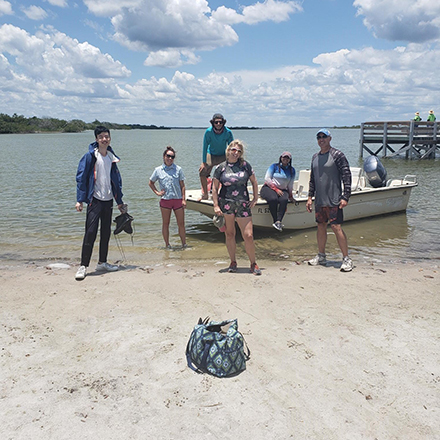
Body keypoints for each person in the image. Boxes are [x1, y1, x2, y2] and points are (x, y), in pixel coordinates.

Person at [75, 126, 126, 280]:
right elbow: (81, 178)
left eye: (107, 136)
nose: (105, 139)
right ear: (97, 139)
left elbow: (116, 181)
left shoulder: (111, 157)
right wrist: (80, 200)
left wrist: (119, 201)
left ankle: (102, 262)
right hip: (94, 200)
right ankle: (83, 266)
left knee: (106, 233)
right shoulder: (90, 156)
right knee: (90, 233)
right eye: (101, 137)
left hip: (108, 200)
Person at [306, 129, 353, 272]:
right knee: (320, 226)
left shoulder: (338, 155)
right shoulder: (314, 157)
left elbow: (347, 175)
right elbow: (312, 179)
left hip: (334, 199)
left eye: (324, 137)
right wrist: (309, 197)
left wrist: (346, 196)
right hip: (320, 200)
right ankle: (321, 256)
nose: (321, 139)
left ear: (330, 138)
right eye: (319, 137)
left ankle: (346, 258)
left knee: (336, 227)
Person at [212, 140, 261, 275]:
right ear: (228, 151)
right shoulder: (220, 168)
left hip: (243, 204)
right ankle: (233, 262)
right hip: (226, 204)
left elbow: (254, 182)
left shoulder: (245, 166)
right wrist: (216, 205)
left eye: (239, 151)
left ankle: (253, 263)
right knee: (230, 234)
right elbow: (214, 188)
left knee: (248, 235)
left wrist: (255, 198)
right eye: (233, 150)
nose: (236, 153)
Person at [149, 146, 186, 249]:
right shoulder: (158, 170)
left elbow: (182, 185)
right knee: (166, 224)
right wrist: (157, 192)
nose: (170, 158)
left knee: (181, 224)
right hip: (165, 201)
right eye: (168, 156)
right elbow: (151, 182)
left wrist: (183, 199)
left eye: (172, 157)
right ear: (164, 156)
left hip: (178, 200)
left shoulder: (178, 169)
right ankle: (167, 245)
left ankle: (184, 244)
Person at [199, 113, 234, 200]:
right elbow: (205, 146)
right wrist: (203, 162)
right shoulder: (208, 132)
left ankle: (226, 193)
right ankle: (205, 194)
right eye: (216, 122)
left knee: (229, 173)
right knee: (202, 172)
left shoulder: (228, 132)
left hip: (223, 155)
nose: (218, 124)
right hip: (211, 154)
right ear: (212, 123)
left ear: (223, 123)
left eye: (220, 122)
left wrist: (234, 160)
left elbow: (232, 147)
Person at [260, 151, 296, 231]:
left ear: (290, 160)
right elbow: (267, 178)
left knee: (284, 199)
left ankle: (279, 221)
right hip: (268, 188)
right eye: (284, 157)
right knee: (273, 199)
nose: (285, 159)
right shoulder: (274, 166)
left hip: (283, 190)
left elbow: (290, 184)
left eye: (287, 158)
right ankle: (275, 220)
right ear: (281, 158)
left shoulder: (292, 170)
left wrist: (291, 196)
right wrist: (276, 189)